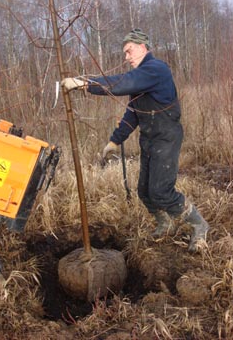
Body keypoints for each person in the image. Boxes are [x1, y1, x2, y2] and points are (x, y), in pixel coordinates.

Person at [61, 28, 209, 252]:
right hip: (150, 138)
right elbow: (133, 113)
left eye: (129, 51)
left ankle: (199, 226)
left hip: (166, 137)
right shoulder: (141, 80)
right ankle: (165, 223)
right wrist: (115, 141)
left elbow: (121, 83)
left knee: (161, 191)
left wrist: (84, 83)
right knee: (144, 191)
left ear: (142, 47)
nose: (126, 57)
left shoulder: (155, 69)